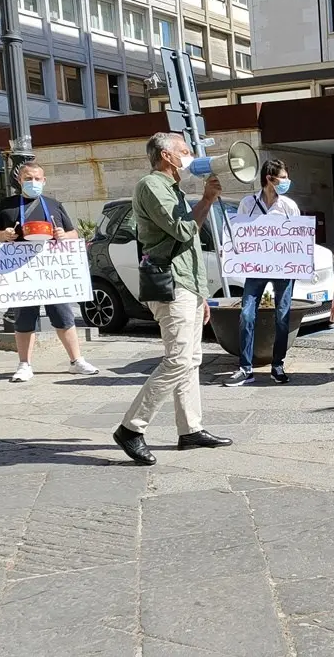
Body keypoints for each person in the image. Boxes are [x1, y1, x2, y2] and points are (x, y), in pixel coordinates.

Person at [114, 133, 233, 465]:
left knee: (191, 359)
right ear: (166, 155)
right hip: (170, 284)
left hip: (187, 286)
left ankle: (190, 429)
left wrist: (201, 295)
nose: (190, 154)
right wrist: (207, 200)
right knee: (178, 359)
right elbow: (182, 231)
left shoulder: (174, 189)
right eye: (185, 150)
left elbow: (188, 244)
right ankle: (131, 428)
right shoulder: (152, 186)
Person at [0, 162, 99, 383]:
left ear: (44, 180)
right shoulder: (6, 206)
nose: (33, 182)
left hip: (51, 271)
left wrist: (64, 236)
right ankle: (24, 364)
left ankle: (76, 361)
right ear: (20, 180)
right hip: (23, 273)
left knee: (64, 316)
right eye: (28, 178)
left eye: (37, 178)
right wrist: (5, 235)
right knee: (24, 319)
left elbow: (73, 233)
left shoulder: (54, 205)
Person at [223, 159, 300, 387]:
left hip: (283, 268)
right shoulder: (248, 203)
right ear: (270, 178)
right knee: (247, 314)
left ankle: (278, 366)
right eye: (283, 177)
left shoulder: (289, 206)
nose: (286, 182)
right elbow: (239, 235)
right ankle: (245, 368)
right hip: (256, 268)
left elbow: (297, 237)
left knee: (282, 316)